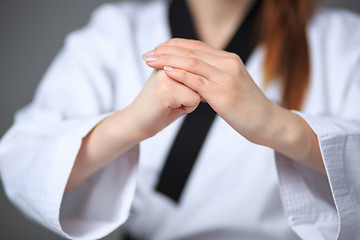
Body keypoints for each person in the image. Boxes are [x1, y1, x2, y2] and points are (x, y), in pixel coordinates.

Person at [0, 0, 360, 239]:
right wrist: (129, 125)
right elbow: (22, 162)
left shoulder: (343, 39)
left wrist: (278, 126)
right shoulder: (115, 31)